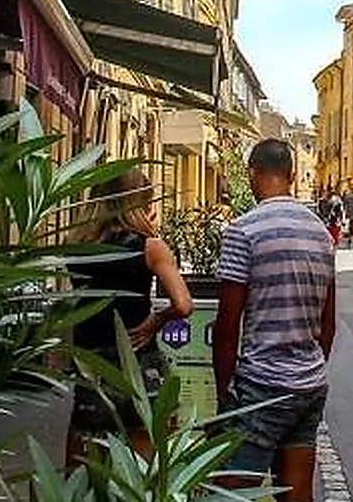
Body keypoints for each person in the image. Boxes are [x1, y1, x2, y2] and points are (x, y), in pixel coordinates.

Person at [213, 140, 336, 502]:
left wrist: (224, 391)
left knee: (232, 494)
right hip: (309, 384)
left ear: (252, 174)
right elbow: (329, 324)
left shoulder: (242, 230)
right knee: (297, 493)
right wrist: (307, 369)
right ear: (293, 176)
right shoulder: (321, 233)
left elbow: (227, 325)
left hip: (260, 385)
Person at [69, 168, 193, 453]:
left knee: (86, 454)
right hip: (136, 358)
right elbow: (183, 304)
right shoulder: (150, 248)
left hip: (90, 360)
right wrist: (157, 320)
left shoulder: (77, 248)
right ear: (138, 205)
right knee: (143, 452)